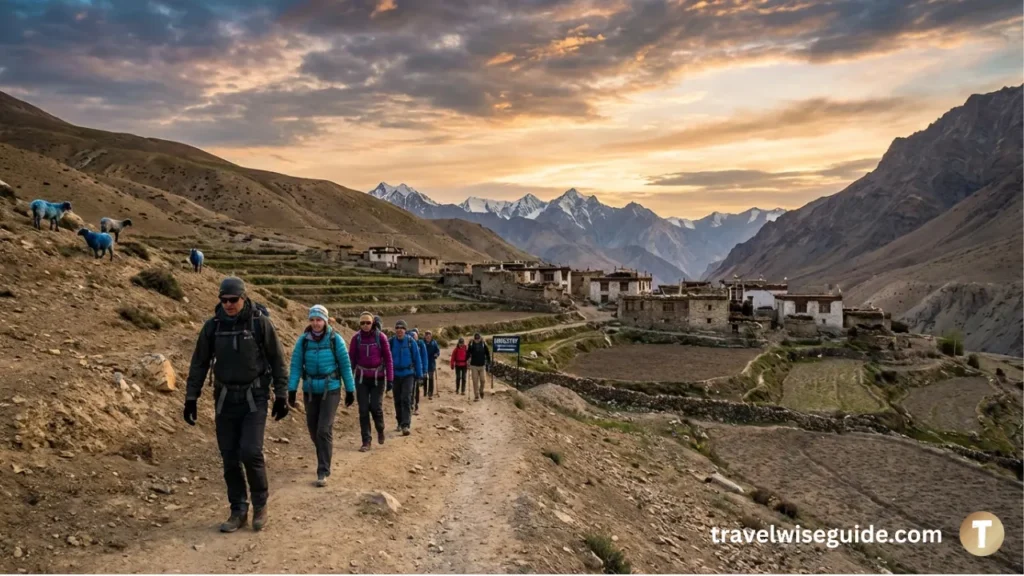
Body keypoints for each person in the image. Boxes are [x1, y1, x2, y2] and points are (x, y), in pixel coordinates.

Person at [184, 277, 288, 533]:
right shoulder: (213, 327)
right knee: (229, 455)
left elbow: (277, 360)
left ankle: (260, 504)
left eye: (233, 300)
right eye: (224, 300)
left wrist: (282, 394)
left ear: (244, 298)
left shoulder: (260, 324)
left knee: (250, 451)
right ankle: (238, 509)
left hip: (255, 397)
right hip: (224, 399)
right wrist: (191, 397)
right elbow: (199, 363)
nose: (229, 304)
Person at [287, 305, 355, 485]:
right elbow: (295, 366)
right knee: (313, 429)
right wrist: (292, 389)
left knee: (323, 429)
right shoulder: (303, 341)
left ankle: (323, 470)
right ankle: (325, 451)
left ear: (325, 321)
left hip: (331, 389)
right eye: (313, 320)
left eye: (319, 320)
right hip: (310, 390)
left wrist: (350, 390)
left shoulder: (335, 340)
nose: (316, 323)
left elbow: (345, 365)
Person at [349, 312, 393, 452]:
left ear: (373, 323)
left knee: (375, 407)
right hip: (361, 378)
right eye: (362, 323)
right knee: (363, 410)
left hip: (377, 379)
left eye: (368, 322)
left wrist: (390, 379)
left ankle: (380, 429)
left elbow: (388, 359)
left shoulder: (381, 337)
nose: (365, 325)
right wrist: (348, 380)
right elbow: (351, 360)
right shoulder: (356, 338)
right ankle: (366, 441)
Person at [388, 320, 422, 435]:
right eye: (397, 327)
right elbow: (386, 359)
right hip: (395, 375)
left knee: (406, 399)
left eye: (402, 328)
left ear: (405, 330)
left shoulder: (411, 342)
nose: (399, 330)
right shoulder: (391, 342)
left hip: (408, 374)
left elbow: (417, 358)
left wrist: (419, 375)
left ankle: (405, 425)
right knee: (397, 400)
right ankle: (399, 422)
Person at [409, 328, 428, 415]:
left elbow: (424, 358)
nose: (414, 338)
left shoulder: (421, 344)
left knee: (416, 388)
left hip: (417, 371)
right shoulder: (408, 344)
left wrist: (424, 371)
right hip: (410, 371)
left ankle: (415, 406)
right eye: (412, 336)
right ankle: (410, 405)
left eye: (415, 336)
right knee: (410, 389)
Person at [467, 332, 491, 401]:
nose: (477, 340)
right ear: (474, 338)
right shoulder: (472, 344)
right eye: (476, 339)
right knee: (475, 381)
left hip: (482, 366)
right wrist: (467, 360)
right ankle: (476, 396)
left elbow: (487, 353)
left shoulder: (483, 344)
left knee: (483, 380)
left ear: (480, 338)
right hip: (474, 365)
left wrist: (489, 361)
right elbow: (468, 353)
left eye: (478, 339)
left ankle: (481, 390)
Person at [423, 330, 441, 399]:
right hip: (424, 363)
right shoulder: (422, 343)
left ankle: (430, 393)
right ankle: (425, 391)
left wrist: (436, 354)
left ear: (431, 336)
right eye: (426, 335)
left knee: (431, 378)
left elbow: (438, 351)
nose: (428, 336)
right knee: (424, 378)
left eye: (429, 335)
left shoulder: (434, 343)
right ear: (425, 336)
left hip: (431, 363)